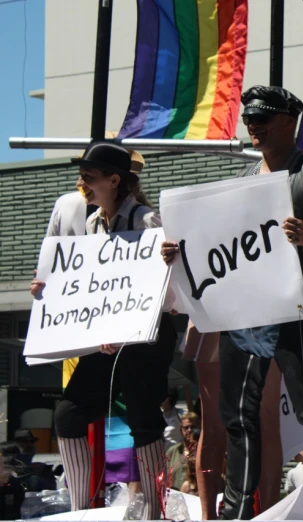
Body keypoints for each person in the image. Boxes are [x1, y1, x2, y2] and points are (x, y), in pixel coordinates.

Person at [161, 85, 303, 519]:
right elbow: (218, 252)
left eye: (263, 117)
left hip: (299, 308)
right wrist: (180, 256)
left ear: (290, 121)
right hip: (249, 314)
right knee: (238, 414)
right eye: (249, 119)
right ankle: (235, 511)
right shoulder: (246, 186)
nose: (253, 125)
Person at [31, 142, 177, 520]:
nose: (82, 183)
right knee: (68, 415)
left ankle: (156, 511)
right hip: (106, 340)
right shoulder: (94, 223)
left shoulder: (147, 221)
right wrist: (49, 290)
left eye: (89, 176)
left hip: (146, 338)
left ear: (114, 180)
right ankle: (79, 510)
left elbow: (169, 292)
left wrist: (167, 262)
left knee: (144, 419)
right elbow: (89, 284)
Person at [166, 412, 200, 491]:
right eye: (186, 427)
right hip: (176, 498)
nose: (189, 430)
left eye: (193, 427)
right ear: (181, 430)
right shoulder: (172, 451)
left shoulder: (204, 452)